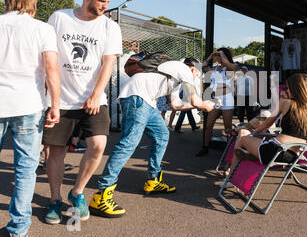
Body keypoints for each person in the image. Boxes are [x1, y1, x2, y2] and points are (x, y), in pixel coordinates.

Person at [88, 58, 215, 218]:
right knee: (128, 144)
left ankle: (153, 181)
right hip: (138, 98)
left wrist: (200, 104)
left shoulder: (175, 75)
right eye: (197, 72)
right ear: (193, 69)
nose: (197, 76)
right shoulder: (184, 69)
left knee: (162, 135)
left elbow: (175, 105)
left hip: (145, 101)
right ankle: (102, 196)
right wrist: (205, 105)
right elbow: (194, 100)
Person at [43, 0, 123, 225]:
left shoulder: (110, 26)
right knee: (55, 152)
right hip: (61, 98)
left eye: (108, 1)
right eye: (100, 1)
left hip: (94, 98)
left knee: (98, 145)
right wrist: (51, 97)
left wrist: (96, 94)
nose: (104, 6)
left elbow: (108, 63)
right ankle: (55, 200)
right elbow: (49, 56)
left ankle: (76, 192)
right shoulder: (59, 18)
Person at [0, 0, 60, 237]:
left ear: (8, 2)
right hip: (29, 104)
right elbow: (51, 68)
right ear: (33, 4)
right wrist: (55, 104)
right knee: (25, 169)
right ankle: (18, 229)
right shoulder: (43, 29)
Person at [221, 73, 307, 188]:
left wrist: (253, 133)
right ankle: (247, 156)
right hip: (293, 156)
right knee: (247, 139)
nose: (287, 91)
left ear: (293, 88)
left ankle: (231, 178)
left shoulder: (285, 103)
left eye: (288, 88)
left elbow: (267, 123)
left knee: (243, 137)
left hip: (273, 151)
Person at [196, 48, 238, 157]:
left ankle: (229, 153)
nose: (218, 57)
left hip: (227, 99)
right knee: (209, 125)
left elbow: (228, 64)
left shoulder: (231, 67)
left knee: (227, 128)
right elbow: (203, 67)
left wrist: (222, 54)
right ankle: (205, 147)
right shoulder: (215, 68)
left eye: (220, 55)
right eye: (217, 55)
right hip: (215, 100)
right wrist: (210, 56)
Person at [174, 59, 202, 133]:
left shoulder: (191, 73)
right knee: (184, 111)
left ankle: (193, 126)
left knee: (188, 112)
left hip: (188, 95)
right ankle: (177, 127)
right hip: (187, 96)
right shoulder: (186, 74)